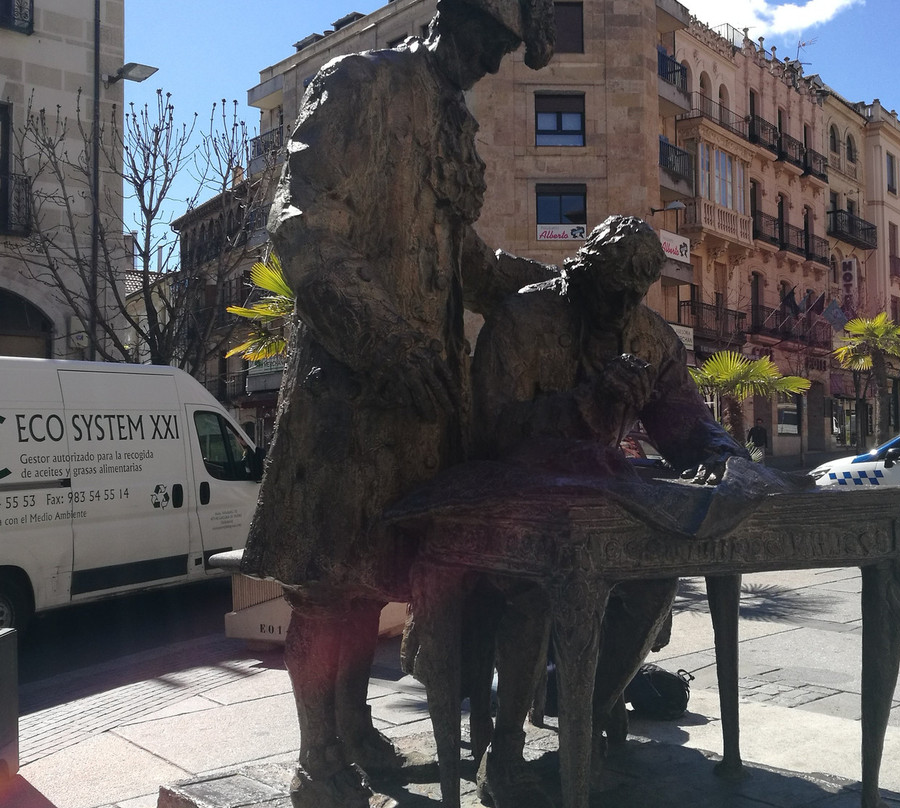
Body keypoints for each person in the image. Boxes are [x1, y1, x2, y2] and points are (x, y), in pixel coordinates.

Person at [238, 1, 555, 805]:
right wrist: (384, 340)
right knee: (326, 586)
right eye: (488, 43)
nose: (491, 64)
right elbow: (304, 229)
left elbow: (463, 258)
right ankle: (319, 759)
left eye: (504, 52)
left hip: (428, 402)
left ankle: (356, 728)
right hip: (351, 390)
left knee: (375, 580)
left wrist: (556, 286)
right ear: (454, 19)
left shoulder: (452, 123)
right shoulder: (359, 84)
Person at [467, 216, 753, 805]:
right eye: (611, 291)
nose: (622, 306)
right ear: (581, 271)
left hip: (599, 506)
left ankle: (588, 710)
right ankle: (506, 749)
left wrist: (723, 457)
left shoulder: (648, 337)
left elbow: (688, 422)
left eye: (634, 294)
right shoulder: (523, 319)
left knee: (654, 578)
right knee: (533, 593)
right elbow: (492, 430)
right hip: (508, 504)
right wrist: (585, 405)